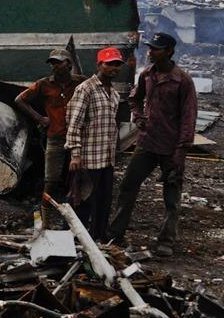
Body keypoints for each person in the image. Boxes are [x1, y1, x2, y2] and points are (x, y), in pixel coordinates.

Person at [110, 33, 196, 256]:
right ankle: (116, 234)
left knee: (171, 197)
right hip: (147, 143)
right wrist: (138, 117)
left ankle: (166, 241)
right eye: (150, 48)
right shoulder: (147, 74)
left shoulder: (182, 80)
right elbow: (134, 98)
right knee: (128, 187)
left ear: (168, 51)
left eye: (156, 48)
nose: (150, 52)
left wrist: (181, 151)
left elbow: (189, 117)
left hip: (171, 148)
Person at [14, 48, 87, 229]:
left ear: (69, 64)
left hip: (79, 138)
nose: (55, 66)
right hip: (55, 137)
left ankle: (74, 223)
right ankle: (45, 223)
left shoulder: (82, 83)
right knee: (51, 180)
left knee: (78, 179)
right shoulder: (44, 84)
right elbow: (20, 100)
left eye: (58, 62)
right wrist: (39, 118)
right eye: (52, 63)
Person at [64, 46, 124, 241]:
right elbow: (74, 123)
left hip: (106, 159)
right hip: (88, 159)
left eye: (117, 64)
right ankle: (72, 240)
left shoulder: (114, 94)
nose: (114, 68)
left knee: (103, 202)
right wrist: (75, 154)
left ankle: (98, 239)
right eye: (110, 64)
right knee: (81, 201)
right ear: (99, 65)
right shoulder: (86, 89)